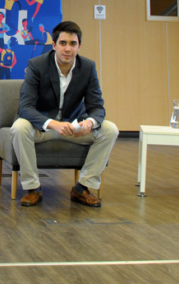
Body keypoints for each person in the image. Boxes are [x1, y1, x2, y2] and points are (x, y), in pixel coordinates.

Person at [11, 21, 118, 207]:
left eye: (73, 44)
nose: (68, 49)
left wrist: (90, 123)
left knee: (110, 129)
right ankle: (32, 188)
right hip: (43, 128)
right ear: (54, 45)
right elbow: (25, 107)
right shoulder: (37, 65)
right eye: (63, 43)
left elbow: (98, 107)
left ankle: (83, 187)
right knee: (19, 127)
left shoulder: (88, 67)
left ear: (79, 46)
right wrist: (53, 123)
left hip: (73, 128)